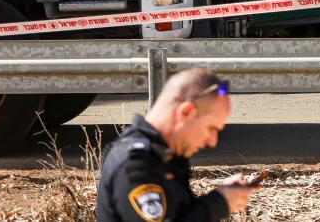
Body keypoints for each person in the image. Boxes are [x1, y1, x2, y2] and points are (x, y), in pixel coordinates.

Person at [97, 68, 260, 222]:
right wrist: (219, 203)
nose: (213, 141)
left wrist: (222, 197)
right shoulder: (134, 164)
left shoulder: (164, 155)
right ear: (186, 112)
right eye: (211, 128)